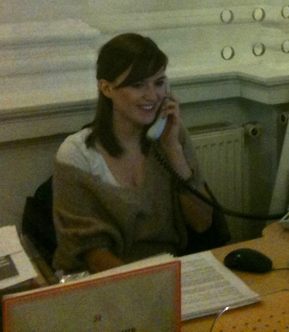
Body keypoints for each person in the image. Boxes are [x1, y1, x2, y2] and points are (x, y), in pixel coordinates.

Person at [52, 33, 213, 274]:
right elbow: (92, 255)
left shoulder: (172, 136)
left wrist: (173, 149)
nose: (153, 96)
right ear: (106, 88)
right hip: (106, 279)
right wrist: (148, 284)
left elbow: (202, 223)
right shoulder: (76, 154)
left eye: (159, 83)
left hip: (168, 271)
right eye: (138, 85)